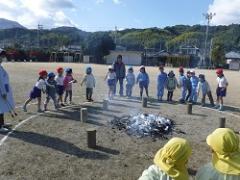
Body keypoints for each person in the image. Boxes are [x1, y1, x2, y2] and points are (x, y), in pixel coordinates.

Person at [0, 49, 15, 132]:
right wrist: (3, 92)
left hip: (3, 90)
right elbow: (0, 82)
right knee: (0, 108)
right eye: (1, 56)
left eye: (3, 56)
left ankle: (2, 123)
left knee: (1, 107)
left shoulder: (0, 66)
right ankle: (0, 126)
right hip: (1, 91)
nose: (3, 58)